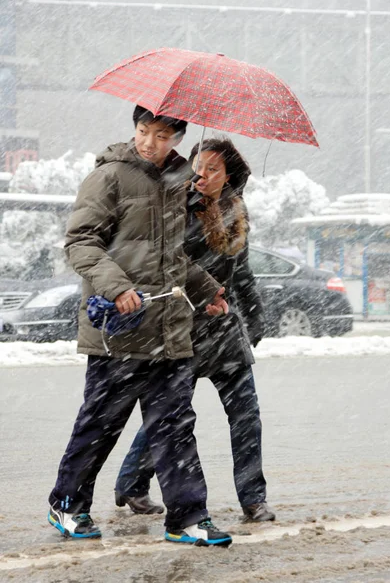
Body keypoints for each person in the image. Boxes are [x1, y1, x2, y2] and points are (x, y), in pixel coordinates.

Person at [47, 106, 233, 547]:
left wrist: (207, 290)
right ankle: (67, 504)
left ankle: (188, 518)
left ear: (179, 136)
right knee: (100, 426)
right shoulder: (109, 176)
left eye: (163, 135)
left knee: (174, 429)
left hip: (168, 330)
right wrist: (116, 287)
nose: (150, 142)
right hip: (120, 330)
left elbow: (170, 259)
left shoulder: (177, 181)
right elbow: (80, 242)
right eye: (143, 131)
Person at [115, 137, 276, 523]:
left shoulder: (236, 212)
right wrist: (199, 293)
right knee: (172, 415)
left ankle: (253, 498)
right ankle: (132, 484)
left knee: (246, 416)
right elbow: (165, 265)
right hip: (181, 327)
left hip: (224, 329)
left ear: (229, 175)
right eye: (198, 166)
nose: (202, 175)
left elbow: (243, 274)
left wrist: (254, 318)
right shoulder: (176, 207)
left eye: (213, 169)